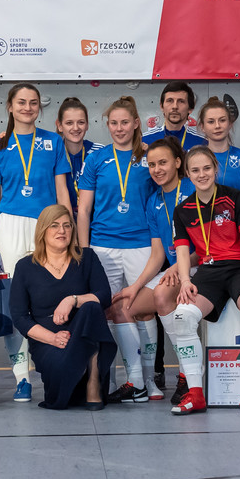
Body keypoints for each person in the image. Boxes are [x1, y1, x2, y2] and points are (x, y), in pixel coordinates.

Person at [166, 146, 240, 417]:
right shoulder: (182, 210)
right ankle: (196, 394)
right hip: (209, 271)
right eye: (195, 170)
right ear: (187, 174)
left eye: (206, 168)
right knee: (182, 317)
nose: (202, 174)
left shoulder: (235, 197)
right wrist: (185, 281)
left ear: (215, 168)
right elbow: (182, 252)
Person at [0, 82, 70, 402]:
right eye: (21, 102)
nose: (28, 108)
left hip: (47, 224)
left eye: (33, 102)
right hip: (8, 226)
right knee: (13, 302)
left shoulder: (53, 141)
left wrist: (68, 232)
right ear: (10, 106)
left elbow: (62, 192)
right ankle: (22, 378)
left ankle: (51, 369)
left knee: (48, 297)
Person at [76, 96, 159, 402]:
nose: (119, 128)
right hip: (103, 246)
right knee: (108, 310)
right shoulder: (97, 159)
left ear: (136, 123)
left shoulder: (150, 157)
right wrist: (85, 251)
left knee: (144, 310)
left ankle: (148, 381)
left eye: (125, 122)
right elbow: (84, 210)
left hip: (141, 244)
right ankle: (111, 379)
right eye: (114, 123)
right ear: (107, 125)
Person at [10, 205, 116, 410]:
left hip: (83, 333)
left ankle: (93, 382)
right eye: (55, 225)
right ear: (43, 230)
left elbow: (104, 296)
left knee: (92, 307)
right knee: (61, 385)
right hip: (48, 341)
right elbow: (20, 317)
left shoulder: (87, 258)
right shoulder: (25, 267)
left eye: (67, 226)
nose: (62, 231)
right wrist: (53, 338)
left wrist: (72, 300)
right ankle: (71, 382)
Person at [125, 138, 193, 403]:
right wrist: (135, 286)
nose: (157, 169)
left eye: (163, 162)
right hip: (175, 269)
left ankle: (187, 374)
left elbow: (210, 244)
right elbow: (157, 254)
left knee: (163, 295)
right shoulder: (155, 201)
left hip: (201, 266)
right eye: (152, 164)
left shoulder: (194, 189)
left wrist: (180, 265)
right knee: (126, 306)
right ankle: (141, 382)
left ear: (177, 162)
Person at [197, 96, 240, 192]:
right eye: (211, 122)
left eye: (222, 120)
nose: (217, 126)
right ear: (202, 127)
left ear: (230, 124)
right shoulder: (193, 159)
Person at [55, 96, 101, 216]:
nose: (75, 128)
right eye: (69, 123)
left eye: (81, 122)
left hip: (94, 221)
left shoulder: (100, 152)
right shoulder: (52, 153)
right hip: (62, 221)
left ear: (87, 125)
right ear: (59, 125)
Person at [143, 81, 207, 149]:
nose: (175, 106)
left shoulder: (203, 143)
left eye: (181, 101)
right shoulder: (144, 140)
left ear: (190, 109)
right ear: (161, 106)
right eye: (170, 100)